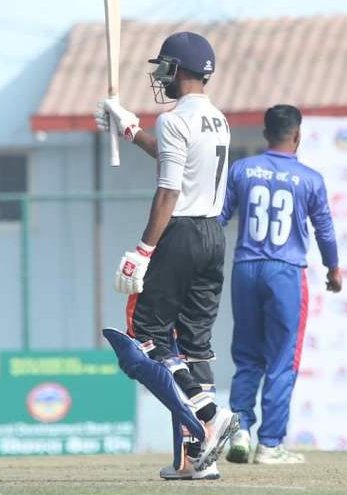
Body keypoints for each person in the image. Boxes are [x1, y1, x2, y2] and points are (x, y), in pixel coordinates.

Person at [95, 31, 238, 480]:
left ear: (180, 70)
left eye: (165, 68)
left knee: (147, 334)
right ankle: (197, 459)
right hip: (213, 235)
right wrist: (131, 130)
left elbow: (169, 190)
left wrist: (142, 251)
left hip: (180, 234)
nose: (161, 77)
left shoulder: (174, 119)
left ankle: (209, 415)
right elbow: (174, 160)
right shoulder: (218, 119)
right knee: (195, 345)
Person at [219, 105, 342, 465]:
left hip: (245, 268)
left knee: (246, 357)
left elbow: (219, 217)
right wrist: (333, 268)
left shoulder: (242, 169)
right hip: (285, 272)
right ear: (298, 135)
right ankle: (270, 444)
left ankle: (239, 430)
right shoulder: (310, 179)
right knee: (282, 359)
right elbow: (325, 230)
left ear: (265, 133)